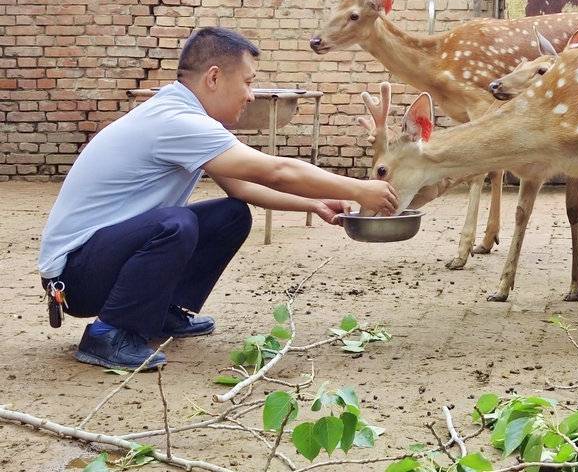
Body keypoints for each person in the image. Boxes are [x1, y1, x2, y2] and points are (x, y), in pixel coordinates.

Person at [37, 27, 398, 370]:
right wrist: (358, 188)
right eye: (248, 81)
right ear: (213, 78)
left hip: (97, 262)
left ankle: (162, 311)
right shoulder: (178, 121)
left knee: (232, 215)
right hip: (73, 279)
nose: (250, 94)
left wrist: (313, 204)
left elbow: (241, 188)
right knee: (174, 224)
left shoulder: (183, 115)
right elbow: (276, 170)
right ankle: (107, 334)